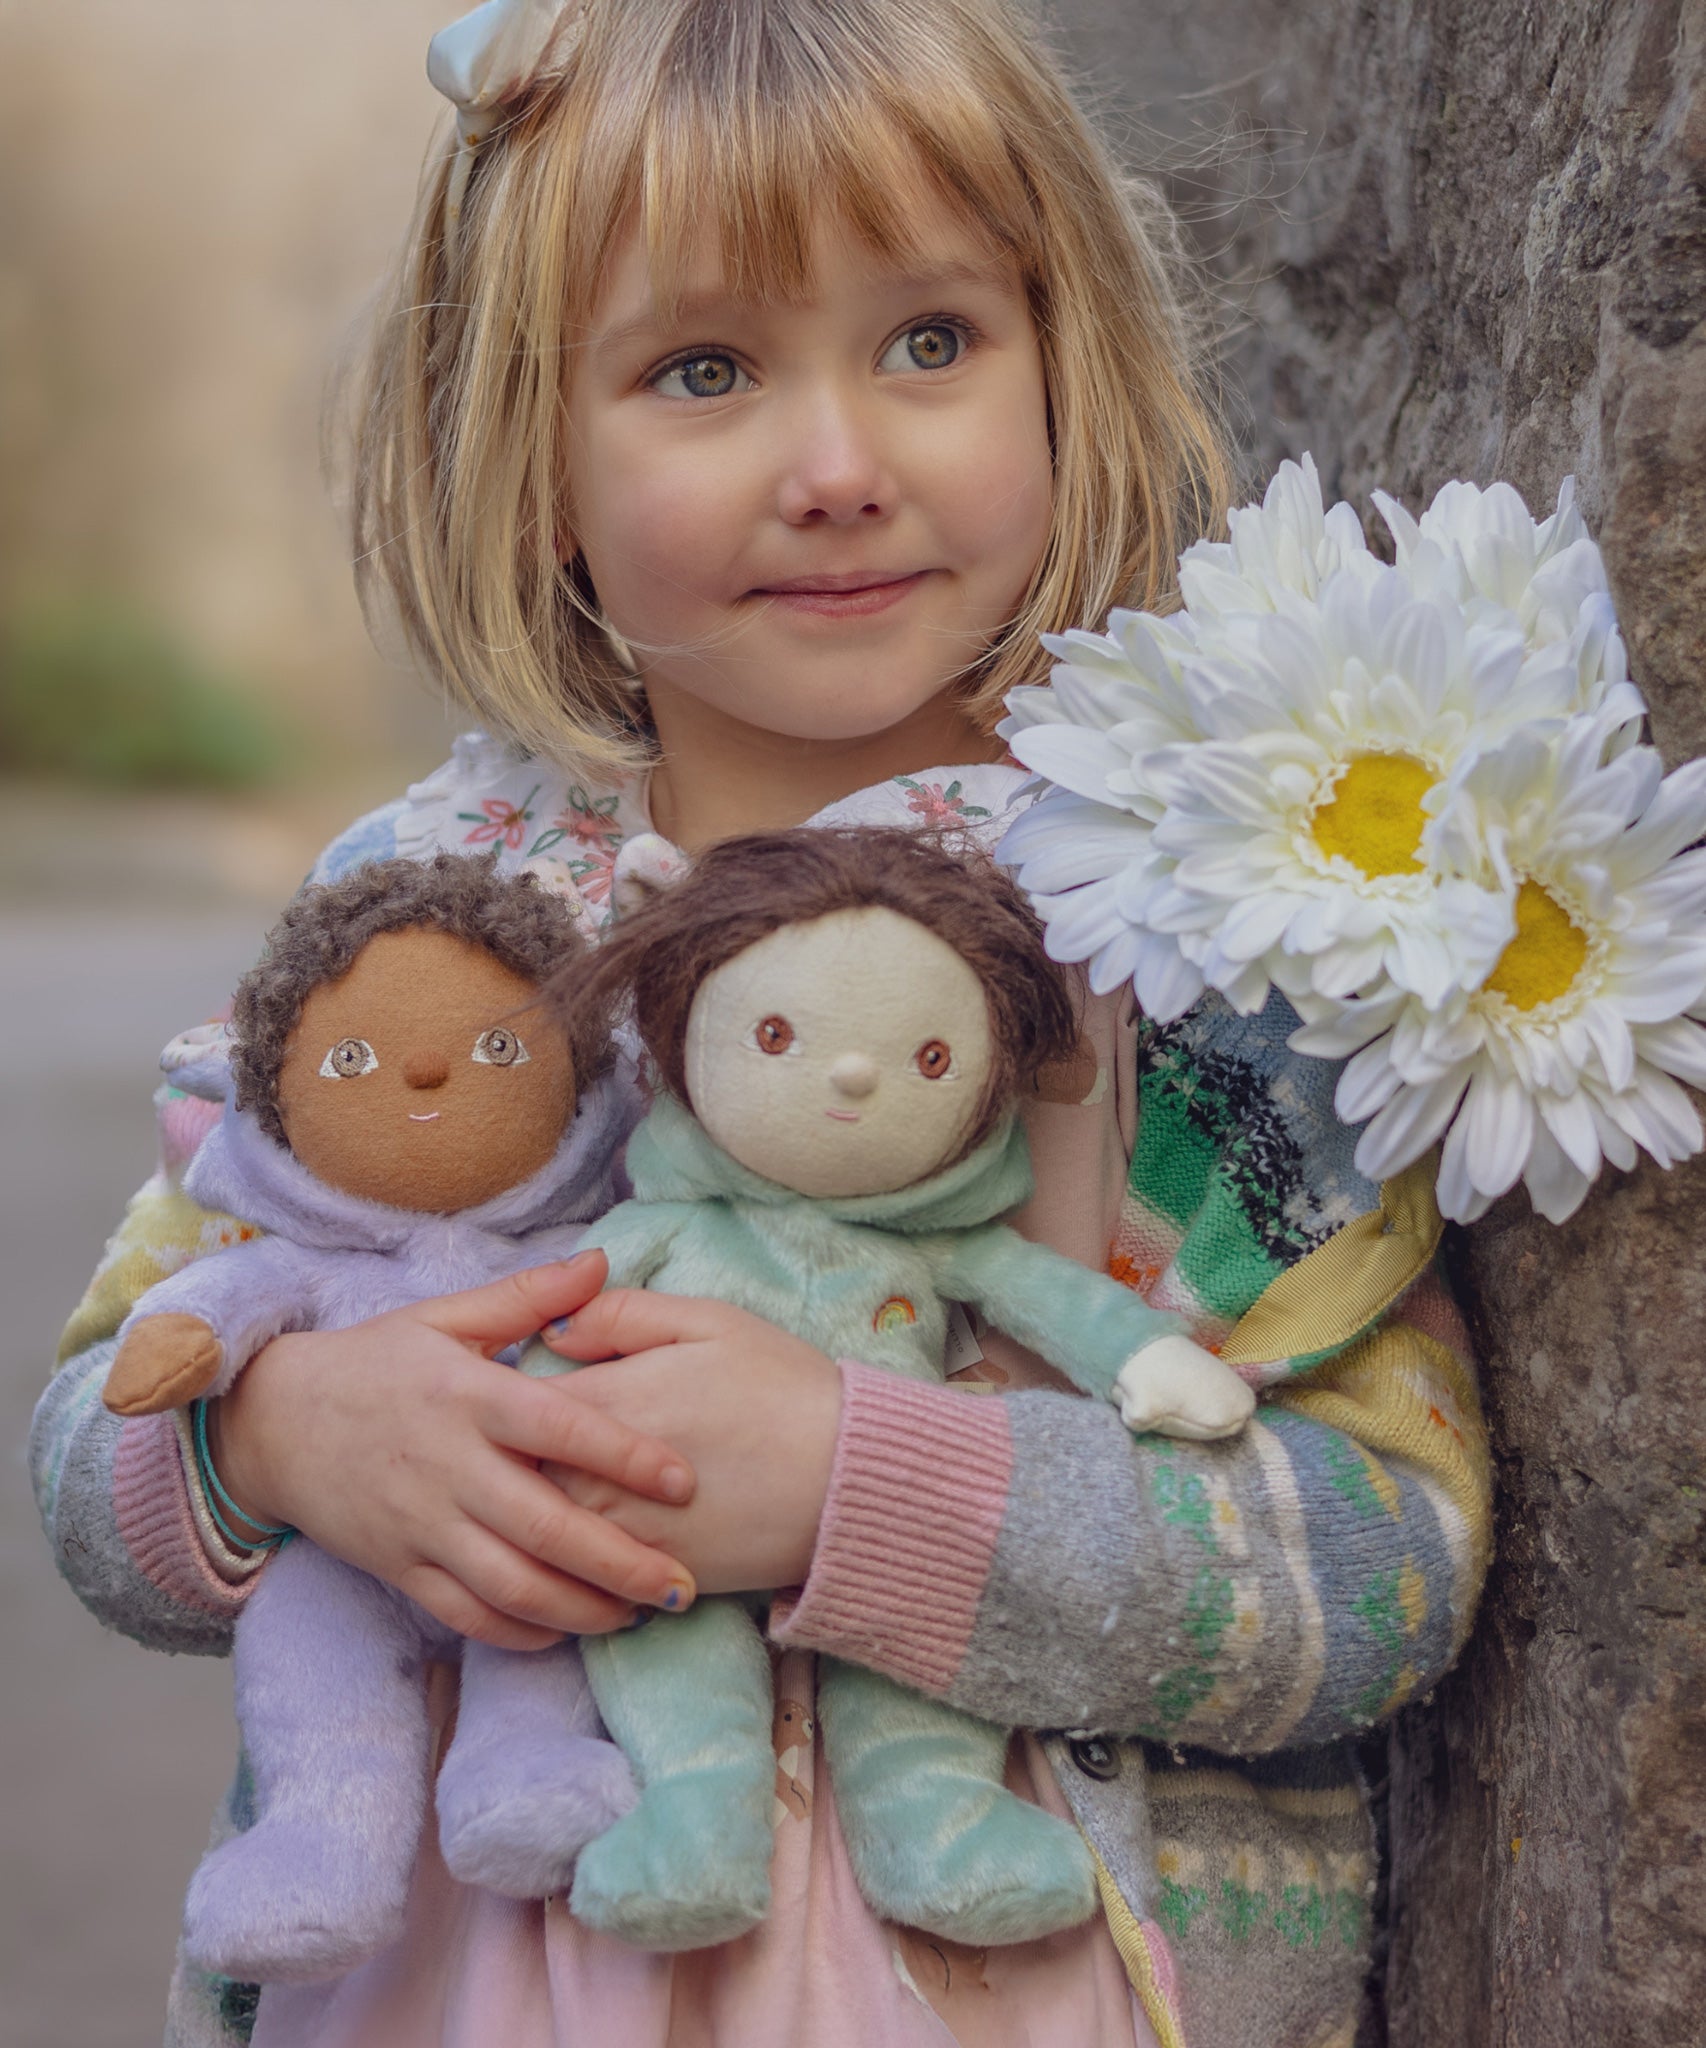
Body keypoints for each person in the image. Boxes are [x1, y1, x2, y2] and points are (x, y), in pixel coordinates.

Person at [31, 1, 1491, 2044]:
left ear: (1065, 357)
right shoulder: (427, 905)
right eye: (702, 370)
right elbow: (101, 1446)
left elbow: (1382, 1559)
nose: (836, 467)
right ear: (532, 446)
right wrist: (282, 1435)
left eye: (929, 342)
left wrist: (854, 1485)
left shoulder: (1184, 919)